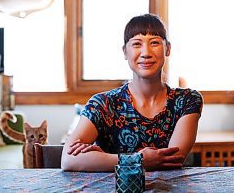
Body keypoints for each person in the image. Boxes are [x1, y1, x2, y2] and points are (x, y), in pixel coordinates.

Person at [61, 14, 203, 172]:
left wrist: (104, 159)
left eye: (154, 43)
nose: (146, 53)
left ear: (167, 49)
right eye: (136, 44)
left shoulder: (187, 100)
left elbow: (172, 159)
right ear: (124, 52)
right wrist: (138, 160)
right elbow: (68, 159)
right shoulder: (103, 103)